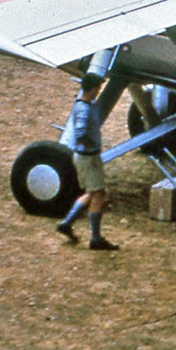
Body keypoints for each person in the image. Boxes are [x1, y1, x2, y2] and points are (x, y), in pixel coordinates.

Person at [56, 73, 119, 250]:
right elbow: (81, 133)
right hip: (88, 157)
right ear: (92, 89)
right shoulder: (84, 108)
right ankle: (96, 238)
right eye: (98, 87)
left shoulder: (82, 105)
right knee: (98, 194)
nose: (99, 90)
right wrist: (91, 145)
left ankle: (67, 223)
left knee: (92, 193)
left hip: (84, 157)